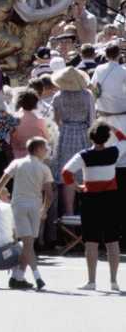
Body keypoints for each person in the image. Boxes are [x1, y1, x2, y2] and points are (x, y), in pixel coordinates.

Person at [62, 122, 124, 292]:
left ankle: (91, 281)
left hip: (90, 200)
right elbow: (123, 139)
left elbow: (66, 172)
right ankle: (113, 281)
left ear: (90, 137)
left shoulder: (83, 155)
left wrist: (77, 186)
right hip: (110, 200)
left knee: (91, 241)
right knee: (112, 241)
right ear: (107, 137)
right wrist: (112, 127)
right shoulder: (114, 152)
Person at [0, 137, 53, 290]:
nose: (46, 151)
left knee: (27, 244)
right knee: (28, 243)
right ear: (38, 150)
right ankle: (33, 276)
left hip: (18, 205)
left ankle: (17, 277)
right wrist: (44, 210)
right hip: (34, 206)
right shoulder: (44, 168)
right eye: (45, 148)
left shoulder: (17, 163)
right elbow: (50, 194)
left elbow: (1, 183)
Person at [51, 66, 95, 215]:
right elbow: (92, 119)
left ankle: (69, 215)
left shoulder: (58, 96)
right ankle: (86, 213)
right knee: (84, 171)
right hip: (83, 133)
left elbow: (56, 119)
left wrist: (64, 127)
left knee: (67, 174)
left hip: (65, 134)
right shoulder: (87, 95)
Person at [10, 90, 49, 160]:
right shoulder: (40, 120)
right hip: (37, 155)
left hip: (19, 155)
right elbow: (46, 138)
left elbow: (11, 139)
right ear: (35, 103)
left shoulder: (14, 119)